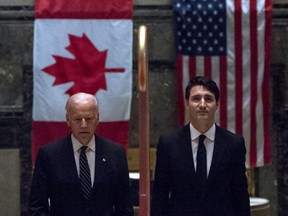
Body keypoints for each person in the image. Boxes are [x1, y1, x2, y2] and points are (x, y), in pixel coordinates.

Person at [151, 76, 251, 216]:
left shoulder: (234, 144)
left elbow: (240, 198)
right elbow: (159, 197)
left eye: (208, 99)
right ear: (187, 103)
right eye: (196, 98)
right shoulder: (169, 144)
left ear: (217, 104)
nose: (202, 104)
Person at [29, 92, 134, 216]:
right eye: (78, 119)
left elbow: (124, 206)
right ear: (68, 120)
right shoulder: (49, 155)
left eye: (89, 119)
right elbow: (37, 207)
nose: (84, 125)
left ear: (97, 119)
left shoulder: (115, 153)